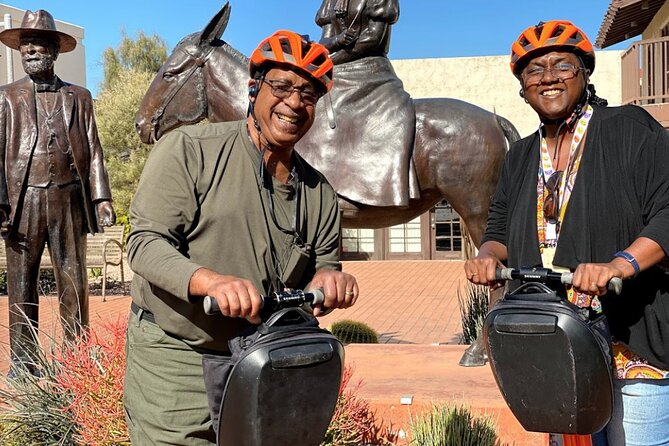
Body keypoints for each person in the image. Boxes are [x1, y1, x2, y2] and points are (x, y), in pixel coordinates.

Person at [124, 30, 359, 444]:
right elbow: (145, 244)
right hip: (178, 354)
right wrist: (210, 281)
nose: (293, 102)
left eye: (308, 93)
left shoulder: (319, 192)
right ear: (254, 89)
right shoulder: (190, 150)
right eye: (281, 86)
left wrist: (329, 280)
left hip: (262, 357)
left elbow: (324, 267)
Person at [465, 20, 669, 446]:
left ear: (585, 73)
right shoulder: (521, 154)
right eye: (534, 71)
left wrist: (621, 263)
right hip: (557, 339)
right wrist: (488, 254)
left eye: (562, 65)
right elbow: (500, 222)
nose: (549, 76)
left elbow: (667, 210)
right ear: (523, 88)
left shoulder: (629, 128)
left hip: (631, 339)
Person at [0, 9, 115, 375]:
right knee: (22, 283)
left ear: (54, 51)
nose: (30, 52)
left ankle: (77, 357)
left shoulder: (78, 96)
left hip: (68, 200)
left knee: (73, 280)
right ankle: (24, 360)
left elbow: (94, 149)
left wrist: (102, 199)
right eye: (25, 47)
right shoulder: (5, 97)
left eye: (38, 46)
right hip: (24, 200)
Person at [312, 0, 418, 208]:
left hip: (371, 68)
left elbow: (373, 39)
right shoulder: (330, 2)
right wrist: (337, 40)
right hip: (337, 67)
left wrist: (333, 60)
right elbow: (324, 41)